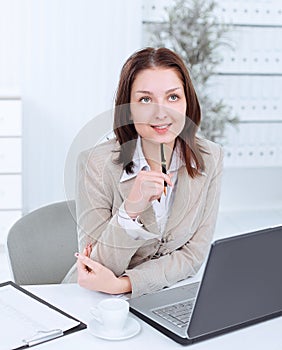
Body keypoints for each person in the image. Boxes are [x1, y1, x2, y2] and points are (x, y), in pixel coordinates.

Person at [63, 47, 223, 298]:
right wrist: (130, 210)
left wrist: (126, 284)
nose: (162, 112)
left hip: (163, 295)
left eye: (173, 97)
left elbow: (193, 255)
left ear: (187, 102)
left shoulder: (210, 157)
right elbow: (93, 269)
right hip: (94, 301)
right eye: (145, 99)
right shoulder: (94, 164)